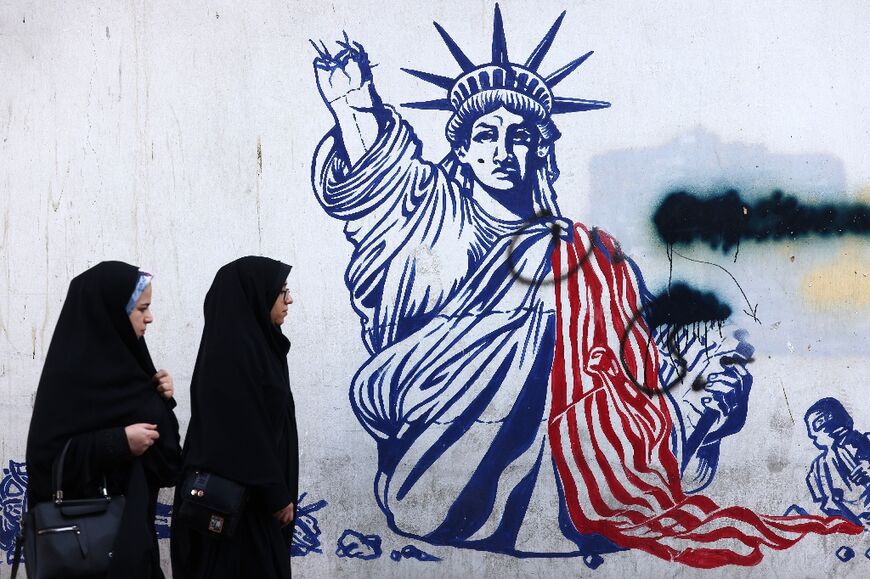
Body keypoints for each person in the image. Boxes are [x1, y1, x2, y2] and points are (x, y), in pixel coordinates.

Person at [309, 6, 862, 567]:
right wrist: (353, 108)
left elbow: (634, 338)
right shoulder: (435, 214)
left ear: (539, 150)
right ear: (463, 150)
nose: (503, 151)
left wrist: (694, 349)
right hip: (440, 396)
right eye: (486, 134)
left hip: (578, 422)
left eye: (519, 136)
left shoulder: (588, 250)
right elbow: (378, 189)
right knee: (549, 313)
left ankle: (648, 445)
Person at [25, 261, 182, 578]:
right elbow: (44, 466)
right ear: (111, 314)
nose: (149, 318)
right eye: (141, 309)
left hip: (135, 549)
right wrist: (118, 443)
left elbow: (170, 466)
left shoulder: (139, 377)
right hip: (80, 556)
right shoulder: (67, 384)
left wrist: (164, 403)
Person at [171, 256, 297, 579]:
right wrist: (275, 494)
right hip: (235, 519)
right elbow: (245, 431)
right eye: (281, 291)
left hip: (254, 513)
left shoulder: (260, 347)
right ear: (257, 295)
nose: (289, 299)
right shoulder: (233, 356)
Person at [805, 398, 870, 528]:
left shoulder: (865, 441)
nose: (813, 434)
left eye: (818, 423)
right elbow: (825, 504)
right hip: (854, 527)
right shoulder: (819, 467)